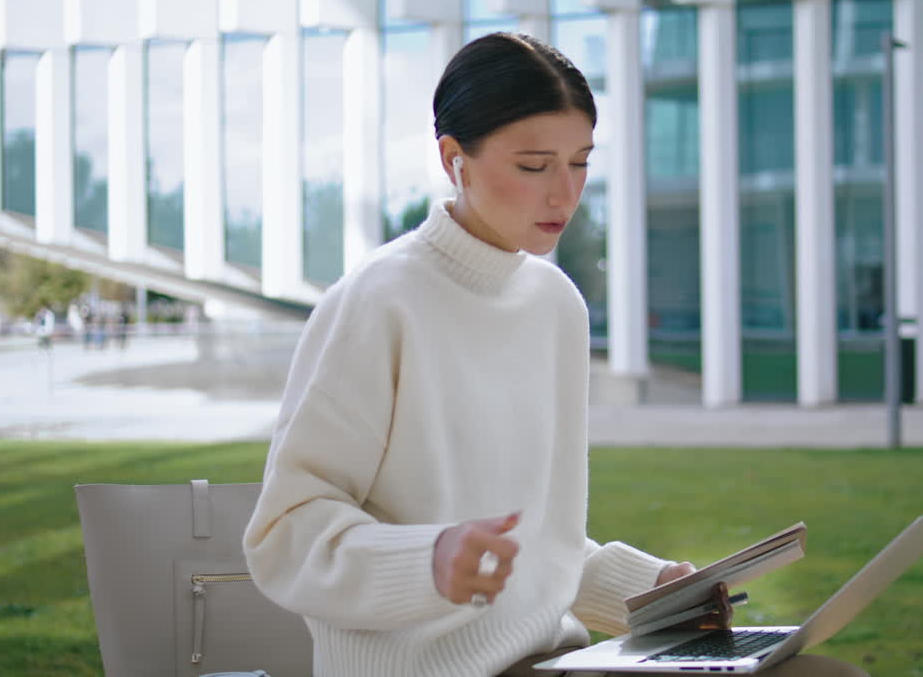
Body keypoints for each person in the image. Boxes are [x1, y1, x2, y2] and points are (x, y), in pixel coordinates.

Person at [243, 33, 862, 677]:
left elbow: (539, 542)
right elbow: (285, 536)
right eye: (534, 167)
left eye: (581, 163)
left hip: (554, 655)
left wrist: (657, 590)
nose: (565, 196)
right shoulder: (378, 302)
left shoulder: (555, 304)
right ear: (454, 159)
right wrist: (428, 561)